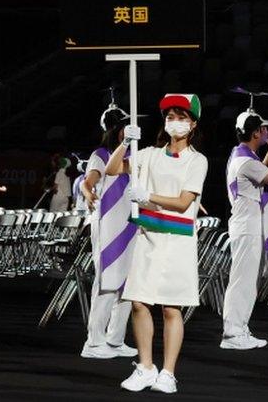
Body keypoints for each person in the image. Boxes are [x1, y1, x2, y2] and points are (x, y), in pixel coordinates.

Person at [105, 93, 208, 394]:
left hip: (177, 239)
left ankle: (168, 372)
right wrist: (125, 142)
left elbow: (182, 202)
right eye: (170, 116)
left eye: (181, 117)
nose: (174, 122)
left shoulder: (197, 161)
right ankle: (146, 367)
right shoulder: (147, 154)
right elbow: (113, 170)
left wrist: (147, 197)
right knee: (138, 301)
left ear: (193, 124)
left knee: (171, 308)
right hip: (148, 236)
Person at [221, 112, 268, 350]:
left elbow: (261, 173)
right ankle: (232, 332)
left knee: (247, 280)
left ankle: (239, 328)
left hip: (248, 224)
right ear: (254, 133)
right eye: (262, 129)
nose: (266, 132)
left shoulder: (242, 154)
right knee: (243, 281)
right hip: (247, 226)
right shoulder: (246, 161)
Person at [79, 105, 137, 359]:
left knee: (127, 283)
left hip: (128, 224)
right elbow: (88, 180)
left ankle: (115, 339)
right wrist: (88, 191)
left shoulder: (130, 159)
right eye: (125, 125)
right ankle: (93, 342)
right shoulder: (101, 155)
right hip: (107, 224)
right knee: (106, 281)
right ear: (116, 130)